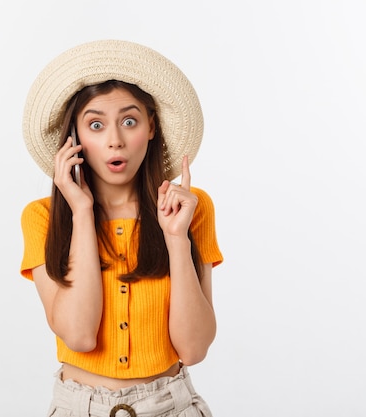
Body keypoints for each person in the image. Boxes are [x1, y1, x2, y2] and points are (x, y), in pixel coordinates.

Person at [20, 40, 223, 417]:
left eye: (129, 121)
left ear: (151, 127)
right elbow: (79, 336)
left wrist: (175, 238)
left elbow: (194, 350)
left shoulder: (190, 209)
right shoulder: (43, 218)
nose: (115, 139)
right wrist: (81, 213)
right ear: (75, 139)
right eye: (96, 125)